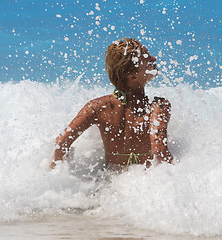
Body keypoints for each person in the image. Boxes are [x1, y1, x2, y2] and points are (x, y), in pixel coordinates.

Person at [50, 38, 173, 170]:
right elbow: (159, 151)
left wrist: (58, 181)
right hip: (143, 185)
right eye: (147, 57)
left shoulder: (98, 106)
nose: (153, 59)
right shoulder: (158, 106)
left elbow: (61, 143)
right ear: (132, 76)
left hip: (108, 185)